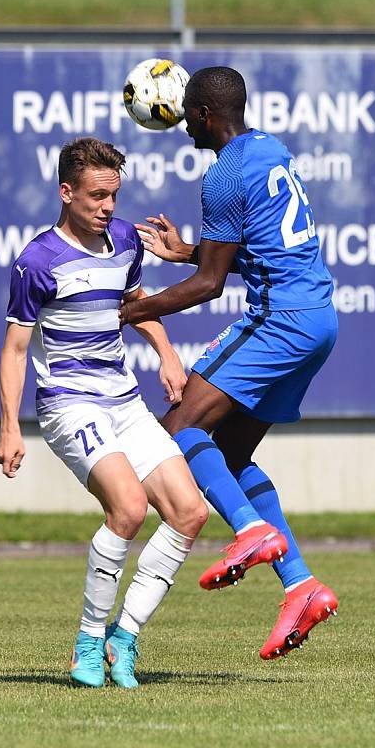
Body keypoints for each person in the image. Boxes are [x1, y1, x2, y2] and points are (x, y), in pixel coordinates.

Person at [120, 67, 339, 660]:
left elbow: (210, 285)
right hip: (318, 318)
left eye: (188, 111)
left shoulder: (221, 176)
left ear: (207, 114)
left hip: (282, 320)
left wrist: (134, 308)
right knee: (233, 453)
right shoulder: (271, 150)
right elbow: (254, 252)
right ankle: (301, 587)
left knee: (179, 430)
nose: (184, 122)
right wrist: (186, 250)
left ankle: (249, 531)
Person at [0, 137, 208, 689]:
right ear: (67, 192)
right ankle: (89, 641)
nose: (107, 207)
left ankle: (125, 637)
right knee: (130, 508)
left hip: (124, 400)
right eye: (95, 195)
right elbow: (16, 351)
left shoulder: (123, 242)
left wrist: (166, 353)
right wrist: (10, 427)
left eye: (113, 195)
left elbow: (135, 308)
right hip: (69, 405)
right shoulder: (37, 262)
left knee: (189, 512)